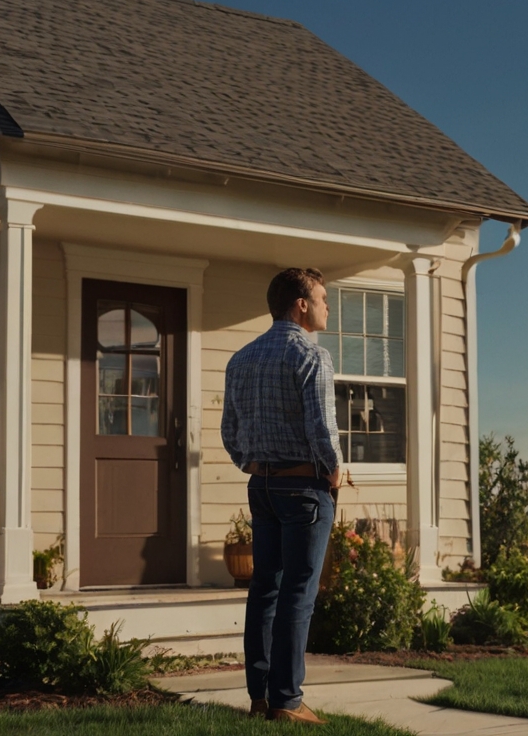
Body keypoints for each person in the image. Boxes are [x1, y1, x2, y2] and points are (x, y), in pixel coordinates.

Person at [221, 267, 347, 724]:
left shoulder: (242, 358)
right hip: (305, 490)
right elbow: (321, 428)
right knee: (298, 591)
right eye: (323, 298)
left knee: (264, 588)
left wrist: (254, 465)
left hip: (263, 487)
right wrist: (333, 472)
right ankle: (288, 701)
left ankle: (260, 696)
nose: (328, 306)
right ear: (301, 305)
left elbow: (229, 433)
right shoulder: (311, 356)